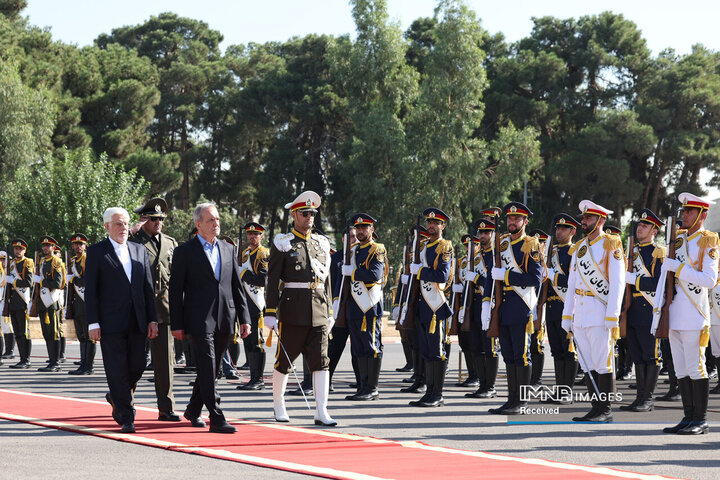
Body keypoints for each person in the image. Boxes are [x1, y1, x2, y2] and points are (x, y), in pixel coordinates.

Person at [170, 202, 251, 434]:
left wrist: (244, 318)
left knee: (212, 369)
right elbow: (176, 291)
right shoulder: (185, 251)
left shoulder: (227, 249)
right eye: (210, 220)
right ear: (198, 225)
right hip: (198, 318)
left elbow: (237, 286)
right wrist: (177, 323)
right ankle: (216, 417)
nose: (216, 223)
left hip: (225, 316)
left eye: (217, 219)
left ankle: (193, 410)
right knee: (206, 366)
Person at [265, 191, 336, 426]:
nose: (309, 217)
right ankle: (279, 405)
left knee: (321, 361)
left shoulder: (321, 243)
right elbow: (273, 280)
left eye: (312, 213)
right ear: (294, 215)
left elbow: (326, 281)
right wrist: (270, 312)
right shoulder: (283, 242)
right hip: (293, 311)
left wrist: (331, 312)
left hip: (318, 311)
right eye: (305, 213)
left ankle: (321, 410)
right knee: (284, 361)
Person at [86, 207, 159, 433]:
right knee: (117, 369)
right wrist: (93, 322)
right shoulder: (97, 252)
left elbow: (148, 288)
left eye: (126, 224)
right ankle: (127, 416)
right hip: (110, 323)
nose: (124, 228)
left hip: (138, 320)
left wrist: (152, 319)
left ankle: (117, 396)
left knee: (137, 366)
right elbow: (91, 291)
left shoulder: (139, 250)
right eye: (118, 224)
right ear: (107, 226)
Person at [656, 193, 718, 435]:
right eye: (683, 211)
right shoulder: (677, 240)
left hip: (694, 313)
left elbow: (710, 279)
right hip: (675, 313)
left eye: (689, 212)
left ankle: (700, 420)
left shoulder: (708, 240)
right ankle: (688, 417)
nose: (684, 215)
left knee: (696, 367)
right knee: (680, 369)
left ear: (702, 215)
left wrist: (679, 268)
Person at [561, 200, 624, 423]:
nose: (583, 222)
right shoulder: (579, 247)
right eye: (583, 218)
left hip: (600, 311)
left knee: (602, 363)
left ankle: (605, 409)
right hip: (581, 313)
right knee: (587, 362)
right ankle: (595, 408)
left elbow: (617, 283)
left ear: (600, 220)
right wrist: (567, 315)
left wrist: (612, 315)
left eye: (588, 218)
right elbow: (571, 284)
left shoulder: (611, 244)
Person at [481, 202, 543, 415]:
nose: (512, 222)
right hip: (504, 306)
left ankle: (522, 402)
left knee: (521, 355)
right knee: (508, 355)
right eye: (510, 219)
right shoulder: (502, 243)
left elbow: (535, 278)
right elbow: (492, 276)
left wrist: (506, 276)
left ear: (525, 222)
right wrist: (486, 303)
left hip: (521, 305)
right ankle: (511, 399)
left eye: (517, 219)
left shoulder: (531, 245)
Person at [129, 198, 181, 422]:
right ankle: (124, 401)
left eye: (160, 218)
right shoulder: (132, 241)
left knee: (165, 361)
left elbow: (177, 277)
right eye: (153, 218)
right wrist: (131, 233)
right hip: (139, 309)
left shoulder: (170, 243)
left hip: (164, 308)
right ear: (143, 220)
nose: (158, 222)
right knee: (135, 360)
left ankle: (166, 408)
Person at [407, 207, 454, 408]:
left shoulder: (445, 247)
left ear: (443, 226)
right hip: (423, 306)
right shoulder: (423, 247)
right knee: (426, 351)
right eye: (429, 222)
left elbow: (442, 276)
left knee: (437, 351)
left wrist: (421, 271)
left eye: (436, 223)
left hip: (436, 306)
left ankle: (438, 393)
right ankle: (429, 391)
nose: (431, 225)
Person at [338, 213, 387, 401]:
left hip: (369, 307)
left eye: (364, 228)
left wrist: (354, 272)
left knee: (371, 346)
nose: (360, 231)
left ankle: (372, 388)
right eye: (357, 228)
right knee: (358, 348)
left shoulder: (377, 249)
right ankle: (362, 386)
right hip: (354, 306)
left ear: (371, 230)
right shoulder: (353, 250)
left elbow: (375, 274)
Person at [620, 209, 665, 412]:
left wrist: (635, 280)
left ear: (654, 230)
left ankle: (647, 399)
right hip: (632, 310)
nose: (640, 228)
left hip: (649, 310)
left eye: (645, 226)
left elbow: (660, 284)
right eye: (639, 225)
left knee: (651, 355)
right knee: (636, 355)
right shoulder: (631, 252)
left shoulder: (659, 253)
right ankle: (639, 398)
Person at [543, 214, 580, 402]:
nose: (559, 232)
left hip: (568, 306)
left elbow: (576, 281)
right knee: (556, 350)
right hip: (552, 306)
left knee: (569, 350)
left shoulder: (575, 252)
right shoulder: (551, 252)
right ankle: (559, 390)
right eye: (557, 228)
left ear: (573, 231)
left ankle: (566, 392)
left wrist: (553, 276)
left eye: (564, 229)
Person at [464, 218, 500, 399]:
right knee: (476, 346)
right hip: (476, 303)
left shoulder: (497, 256)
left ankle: (491, 386)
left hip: (491, 304)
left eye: (487, 233)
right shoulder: (476, 257)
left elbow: (493, 281)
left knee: (489, 347)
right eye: (481, 233)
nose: (483, 236)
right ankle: (481, 383)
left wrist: (477, 279)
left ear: (493, 235)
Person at [237, 222, 270, 391]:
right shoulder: (245, 253)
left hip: (257, 303)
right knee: (248, 340)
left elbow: (262, 281)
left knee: (257, 341)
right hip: (245, 302)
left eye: (256, 234)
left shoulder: (263, 254)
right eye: (250, 234)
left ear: (261, 236)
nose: (252, 237)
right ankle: (252, 378)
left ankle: (258, 379)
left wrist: (243, 273)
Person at [66, 233, 96, 375]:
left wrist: (73, 280)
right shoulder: (73, 261)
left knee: (89, 337)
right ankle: (83, 364)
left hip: (87, 302)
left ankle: (89, 366)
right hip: (77, 304)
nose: (78, 247)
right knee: (81, 336)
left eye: (81, 244)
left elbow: (89, 280)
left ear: (85, 246)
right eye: (76, 244)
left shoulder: (88, 260)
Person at [34, 236, 64, 372]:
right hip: (42, 302)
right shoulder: (42, 261)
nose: (45, 248)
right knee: (46, 333)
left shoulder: (56, 261)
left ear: (53, 248)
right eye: (44, 246)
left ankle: (56, 362)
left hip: (52, 302)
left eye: (48, 246)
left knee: (54, 332)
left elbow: (57, 284)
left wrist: (41, 281)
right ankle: (51, 360)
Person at [6, 239, 33, 369]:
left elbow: (29, 282)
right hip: (13, 303)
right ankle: (22, 358)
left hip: (23, 301)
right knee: (17, 332)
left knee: (24, 332)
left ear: (24, 250)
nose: (18, 251)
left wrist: (14, 281)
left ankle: (26, 359)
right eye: (16, 248)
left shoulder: (28, 262)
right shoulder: (11, 264)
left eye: (20, 249)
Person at [528, 228, 550, 387]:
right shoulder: (533, 258)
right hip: (529, 303)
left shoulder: (546, 261)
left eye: (542, 242)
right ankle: (530, 377)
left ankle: (537, 378)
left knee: (537, 344)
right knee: (529, 343)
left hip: (541, 305)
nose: (540, 245)